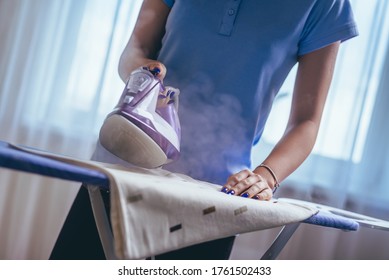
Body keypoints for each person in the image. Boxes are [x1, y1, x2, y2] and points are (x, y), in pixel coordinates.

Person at [50, 0, 358, 260]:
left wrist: (264, 177)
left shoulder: (326, 4)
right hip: (124, 170)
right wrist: (144, 73)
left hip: (213, 199)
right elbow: (136, 48)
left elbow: (306, 121)